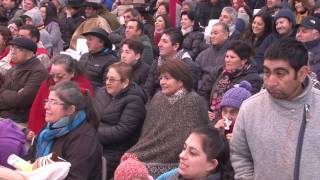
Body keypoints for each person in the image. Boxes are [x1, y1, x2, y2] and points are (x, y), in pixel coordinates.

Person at [230, 38, 320, 180]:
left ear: (302, 73)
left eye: (280, 73)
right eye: (266, 72)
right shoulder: (250, 108)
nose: (270, 81)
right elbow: (239, 154)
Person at [126, 60, 208, 177]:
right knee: (128, 160)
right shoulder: (158, 97)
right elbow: (148, 133)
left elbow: (188, 137)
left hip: (175, 158)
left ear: (180, 81)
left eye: (167, 78)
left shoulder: (195, 102)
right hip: (149, 149)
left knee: (133, 168)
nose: (162, 82)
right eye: (161, 78)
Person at [27, 81, 102, 180]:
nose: (46, 107)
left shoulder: (84, 138)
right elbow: (31, 157)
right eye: (47, 101)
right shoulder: (50, 127)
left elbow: (76, 177)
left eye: (53, 102)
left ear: (71, 109)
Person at [93, 62, 146, 179]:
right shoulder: (101, 93)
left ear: (125, 83)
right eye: (106, 78)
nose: (107, 82)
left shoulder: (134, 101)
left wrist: (93, 133)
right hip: (94, 143)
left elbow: (122, 131)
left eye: (112, 80)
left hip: (115, 151)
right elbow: (90, 117)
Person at [28, 54, 94, 136]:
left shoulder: (82, 90)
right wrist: (34, 132)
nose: (55, 79)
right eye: (52, 75)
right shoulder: (47, 83)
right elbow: (36, 110)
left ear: (72, 73)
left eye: (60, 76)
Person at [198, 41, 262, 121]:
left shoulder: (253, 79)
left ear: (243, 61)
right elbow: (203, 92)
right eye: (226, 56)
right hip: (210, 116)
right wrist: (206, 110)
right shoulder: (219, 71)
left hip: (231, 120)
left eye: (232, 57)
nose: (227, 60)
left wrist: (222, 116)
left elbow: (245, 105)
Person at [0, 37, 48, 123]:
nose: (13, 52)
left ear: (30, 54)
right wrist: (10, 93)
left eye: (19, 49)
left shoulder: (38, 72)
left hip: (19, 118)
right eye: (12, 48)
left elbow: (22, 100)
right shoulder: (16, 67)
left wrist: (5, 92)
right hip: (6, 112)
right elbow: (2, 90)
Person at [144, 28, 200, 99]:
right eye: (160, 41)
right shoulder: (157, 62)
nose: (159, 44)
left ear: (175, 46)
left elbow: (187, 96)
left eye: (164, 41)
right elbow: (147, 90)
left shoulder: (188, 67)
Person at [157, 126, 229, 180]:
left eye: (192, 153)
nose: (181, 155)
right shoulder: (174, 174)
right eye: (184, 148)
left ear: (211, 164)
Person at [255, 8, 297, 73]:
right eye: (276, 24)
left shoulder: (298, 38)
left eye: (281, 22)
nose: (279, 26)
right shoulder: (271, 38)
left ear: (291, 23)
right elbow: (259, 56)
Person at [196, 22, 230, 90]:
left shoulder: (233, 53)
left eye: (215, 33)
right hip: (202, 90)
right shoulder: (203, 54)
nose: (212, 36)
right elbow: (195, 74)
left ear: (226, 35)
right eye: (211, 33)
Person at [296, 15, 320, 80]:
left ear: (316, 35)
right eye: (298, 31)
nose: (299, 34)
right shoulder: (293, 48)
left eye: (304, 31)